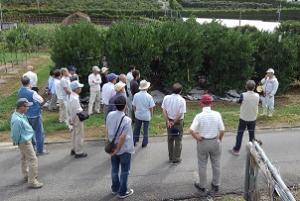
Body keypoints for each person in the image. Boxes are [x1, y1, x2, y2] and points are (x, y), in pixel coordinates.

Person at [189, 95, 225, 195]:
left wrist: (197, 138)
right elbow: (222, 130)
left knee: (202, 165)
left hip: (203, 142)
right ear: (211, 103)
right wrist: (219, 140)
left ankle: (202, 186)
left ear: (201, 103)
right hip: (215, 141)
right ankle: (216, 184)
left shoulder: (199, 116)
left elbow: (191, 130)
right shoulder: (217, 114)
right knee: (216, 164)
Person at [10, 98, 43, 189]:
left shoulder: (19, 114)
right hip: (24, 142)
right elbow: (15, 133)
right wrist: (16, 141)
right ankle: (32, 181)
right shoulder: (17, 120)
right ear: (21, 107)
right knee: (33, 159)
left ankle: (26, 174)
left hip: (24, 141)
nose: (28, 108)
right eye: (26, 106)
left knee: (24, 158)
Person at [106, 95, 134, 199]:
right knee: (125, 171)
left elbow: (107, 129)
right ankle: (123, 192)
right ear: (125, 106)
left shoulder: (109, 115)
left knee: (114, 169)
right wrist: (118, 149)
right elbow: (122, 137)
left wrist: (110, 144)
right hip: (124, 148)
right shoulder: (127, 119)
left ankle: (115, 188)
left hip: (112, 146)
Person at [18, 76, 47, 155]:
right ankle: (40, 150)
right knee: (39, 132)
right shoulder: (32, 92)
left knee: (29, 133)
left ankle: (32, 149)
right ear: (29, 83)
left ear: (22, 83)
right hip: (35, 115)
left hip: (25, 115)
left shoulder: (19, 91)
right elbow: (41, 100)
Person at [230, 80, 259, 156]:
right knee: (251, 134)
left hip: (243, 118)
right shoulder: (257, 95)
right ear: (254, 87)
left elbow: (239, 101)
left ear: (246, 87)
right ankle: (252, 150)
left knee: (240, 134)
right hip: (253, 118)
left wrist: (234, 101)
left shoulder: (243, 95)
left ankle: (236, 150)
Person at [162, 83, 186, 163]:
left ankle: (171, 157)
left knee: (170, 139)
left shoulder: (166, 98)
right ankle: (176, 158)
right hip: (177, 122)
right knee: (178, 140)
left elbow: (164, 110)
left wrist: (168, 121)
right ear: (180, 91)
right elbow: (180, 114)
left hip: (169, 121)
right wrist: (173, 122)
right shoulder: (182, 100)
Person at [132, 80, 155, 148]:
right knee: (146, 129)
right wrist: (151, 114)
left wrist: (135, 112)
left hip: (138, 114)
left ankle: (134, 140)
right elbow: (151, 107)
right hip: (146, 115)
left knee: (136, 128)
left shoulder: (136, 95)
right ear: (147, 88)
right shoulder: (149, 96)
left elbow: (134, 105)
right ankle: (144, 142)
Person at [69, 80, 88, 158]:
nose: (80, 88)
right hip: (77, 117)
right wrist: (72, 119)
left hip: (74, 116)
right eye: (79, 87)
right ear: (76, 89)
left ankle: (74, 148)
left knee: (74, 134)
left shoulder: (73, 96)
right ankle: (79, 152)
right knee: (79, 134)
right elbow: (76, 110)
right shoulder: (75, 98)